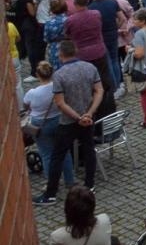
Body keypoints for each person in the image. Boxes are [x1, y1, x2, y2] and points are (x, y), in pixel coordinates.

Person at [35, 38, 102, 205]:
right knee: (89, 150)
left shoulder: (59, 75)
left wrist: (78, 117)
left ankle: (50, 194)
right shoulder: (90, 67)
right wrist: (89, 113)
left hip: (68, 121)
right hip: (87, 118)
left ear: (60, 54)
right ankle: (90, 184)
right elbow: (99, 91)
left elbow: (60, 102)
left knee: (57, 156)